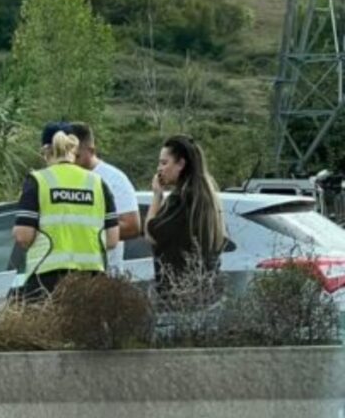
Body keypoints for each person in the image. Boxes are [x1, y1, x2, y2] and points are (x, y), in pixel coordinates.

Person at [12, 122, 121, 299]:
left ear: (45, 150)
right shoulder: (98, 183)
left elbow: (23, 237)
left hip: (46, 283)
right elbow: (112, 240)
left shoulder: (37, 181)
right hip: (92, 281)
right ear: (74, 149)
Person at [145, 135, 226, 298]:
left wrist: (157, 196)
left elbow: (151, 234)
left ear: (181, 164)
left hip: (179, 294)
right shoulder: (205, 198)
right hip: (204, 291)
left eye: (164, 163)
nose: (159, 169)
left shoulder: (182, 200)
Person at [70, 122, 141, 275]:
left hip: (105, 275)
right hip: (70, 275)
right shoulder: (63, 178)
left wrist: (86, 232)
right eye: (68, 155)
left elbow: (132, 227)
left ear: (91, 150)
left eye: (77, 156)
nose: (72, 161)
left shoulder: (114, 179)